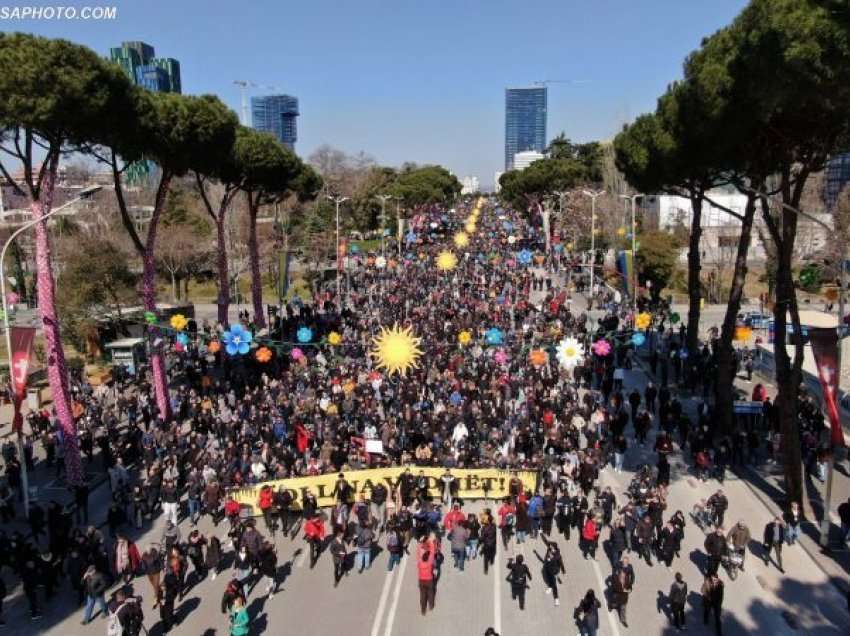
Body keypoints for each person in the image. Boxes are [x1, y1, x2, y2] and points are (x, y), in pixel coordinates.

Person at [536, 534, 565, 606]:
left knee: (554, 585)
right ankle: (549, 587)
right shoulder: (550, 548)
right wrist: (541, 533)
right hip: (547, 567)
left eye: (551, 546)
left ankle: (556, 599)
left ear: (554, 548)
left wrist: (563, 570)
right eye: (550, 546)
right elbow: (545, 541)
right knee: (548, 579)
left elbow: (561, 563)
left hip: (554, 570)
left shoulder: (557, 555)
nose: (549, 547)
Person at [416, 537, 438, 615]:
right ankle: (431, 606)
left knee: (422, 595)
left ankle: (423, 610)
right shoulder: (429, 562)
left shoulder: (419, 563)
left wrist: (420, 542)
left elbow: (418, 553)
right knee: (431, 593)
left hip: (421, 580)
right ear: (428, 558)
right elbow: (432, 552)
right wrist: (430, 541)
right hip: (429, 580)